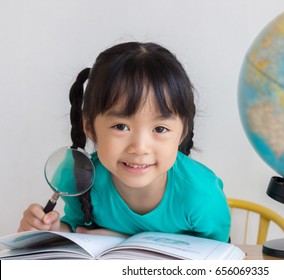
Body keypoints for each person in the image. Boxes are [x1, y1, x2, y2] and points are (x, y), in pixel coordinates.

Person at [18, 42, 231, 242]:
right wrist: (52, 230)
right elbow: (77, 228)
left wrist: (125, 242)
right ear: (90, 127)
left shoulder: (202, 196)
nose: (139, 147)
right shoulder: (76, 179)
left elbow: (217, 256)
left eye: (160, 129)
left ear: (183, 131)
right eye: (121, 126)